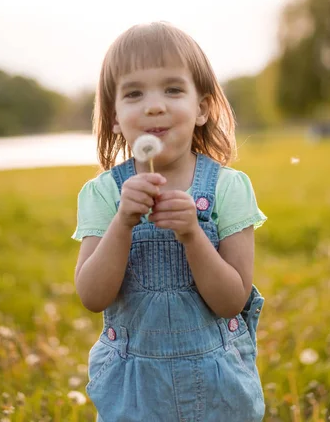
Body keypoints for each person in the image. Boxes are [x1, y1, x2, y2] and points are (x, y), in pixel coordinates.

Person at [72, 21, 267, 422]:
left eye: (173, 89)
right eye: (134, 93)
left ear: (202, 108)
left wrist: (193, 234)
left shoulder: (229, 188)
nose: (154, 105)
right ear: (113, 116)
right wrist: (123, 222)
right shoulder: (104, 195)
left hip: (218, 385)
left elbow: (232, 300)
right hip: (134, 389)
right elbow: (93, 297)